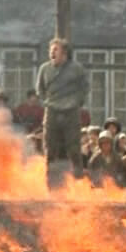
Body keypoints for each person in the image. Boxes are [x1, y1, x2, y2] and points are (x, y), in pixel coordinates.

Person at [36, 38, 89, 187]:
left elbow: (84, 88)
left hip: (70, 112)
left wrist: (77, 102)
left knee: (73, 149)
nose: (52, 53)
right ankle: (50, 184)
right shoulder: (44, 69)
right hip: (52, 110)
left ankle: (78, 181)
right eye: (51, 50)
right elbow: (40, 89)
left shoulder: (76, 69)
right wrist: (46, 102)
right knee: (50, 149)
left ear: (64, 53)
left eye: (56, 50)